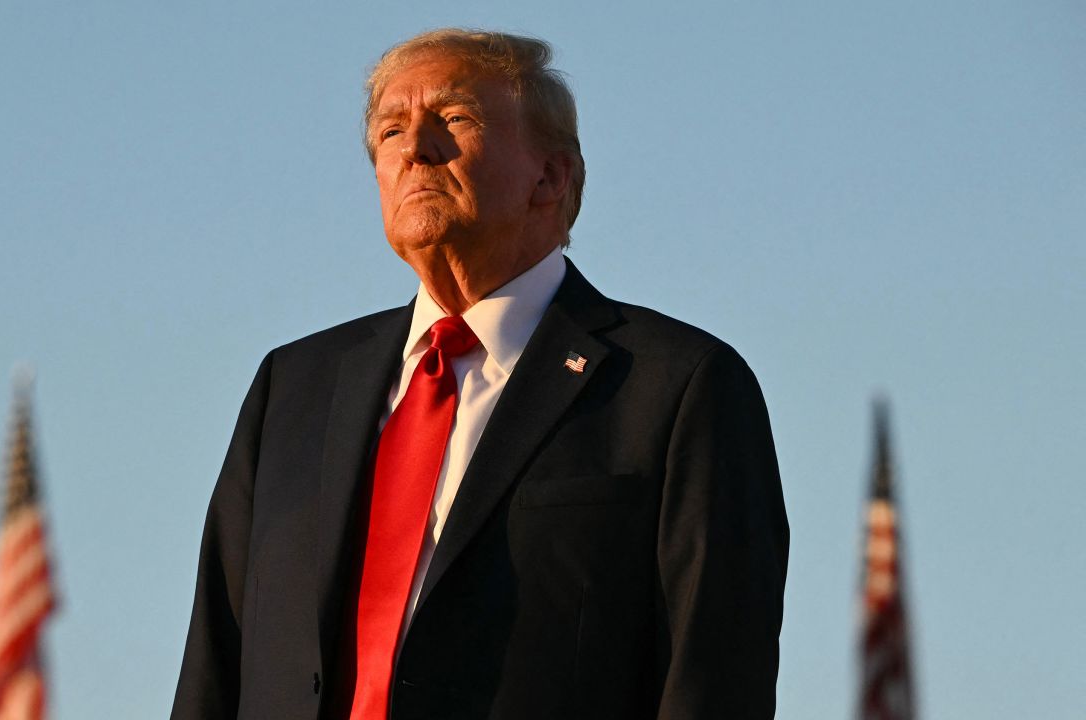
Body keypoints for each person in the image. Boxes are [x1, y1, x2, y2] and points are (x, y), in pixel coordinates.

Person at [172, 28, 788, 720]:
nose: (415, 149)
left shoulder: (677, 388)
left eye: (455, 120)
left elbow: (714, 681)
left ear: (550, 177)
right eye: (391, 130)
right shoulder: (291, 390)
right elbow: (214, 670)